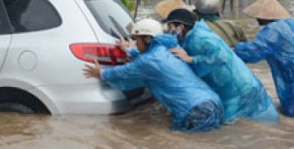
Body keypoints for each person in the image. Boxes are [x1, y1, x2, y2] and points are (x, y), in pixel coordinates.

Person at [82, 18, 223, 132]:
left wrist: (101, 73)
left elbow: (124, 72)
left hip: (194, 109)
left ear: (148, 39)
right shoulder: (166, 49)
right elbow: (149, 59)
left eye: (137, 39)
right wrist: (129, 51)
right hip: (213, 102)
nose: (135, 43)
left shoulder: (149, 61)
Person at [164, 8, 278, 123]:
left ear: (181, 27)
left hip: (238, 90)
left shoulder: (200, 38)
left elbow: (221, 56)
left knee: (233, 128)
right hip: (234, 88)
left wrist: (190, 59)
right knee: (249, 123)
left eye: (170, 26)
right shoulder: (190, 36)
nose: (168, 30)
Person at [235, 0, 294, 117]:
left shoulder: (272, 31)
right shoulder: (284, 27)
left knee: (293, 120)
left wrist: (235, 48)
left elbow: (254, 52)